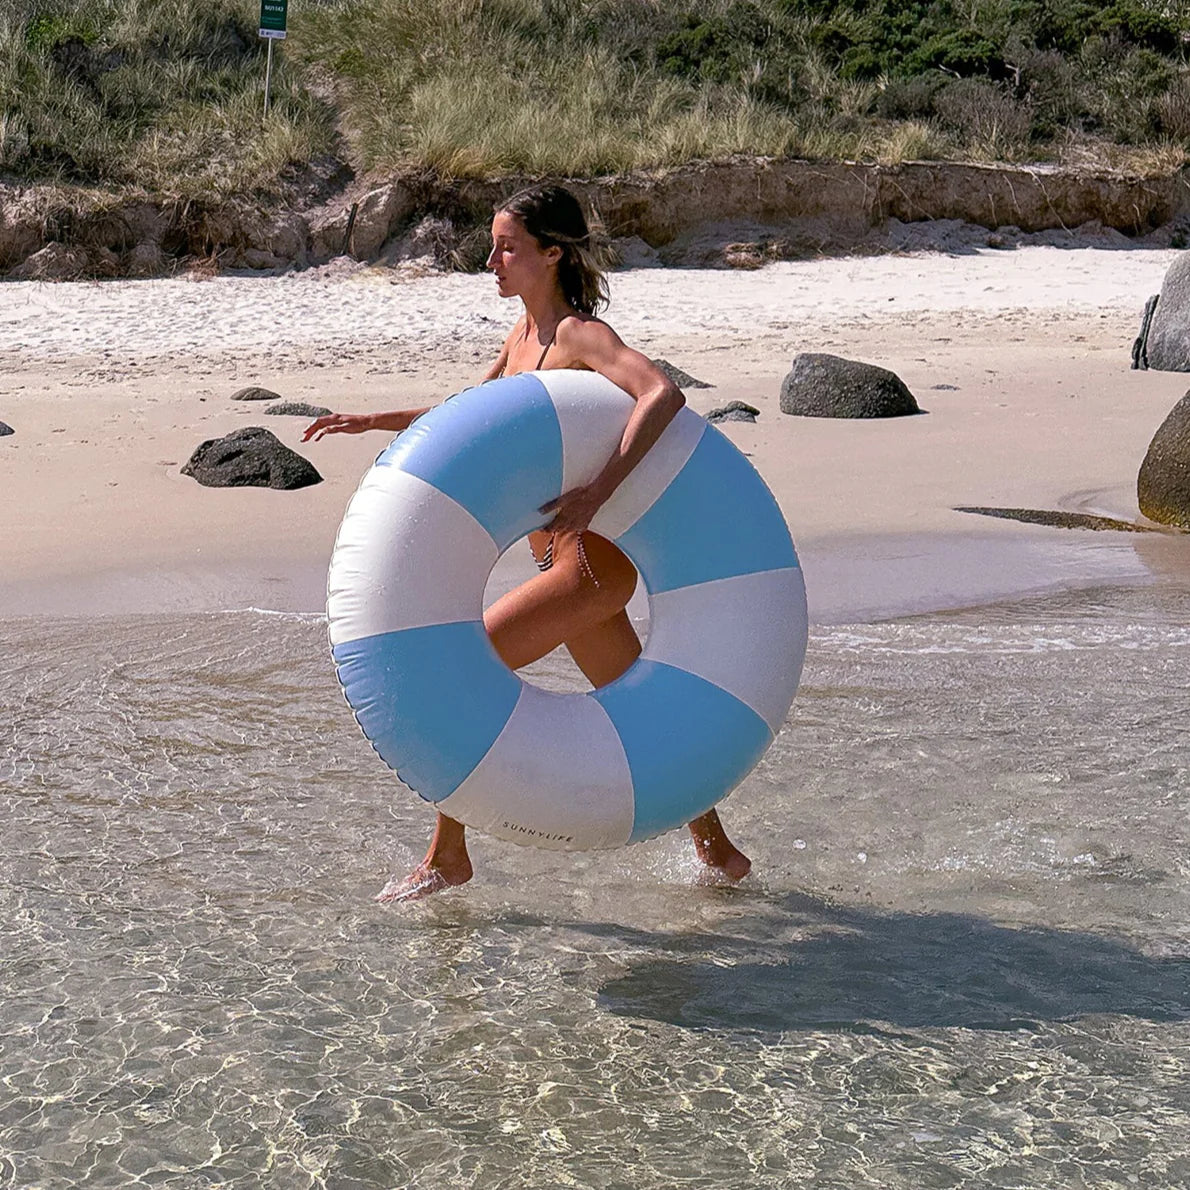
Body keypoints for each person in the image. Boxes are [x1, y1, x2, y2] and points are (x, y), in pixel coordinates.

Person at [303, 184, 751, 903]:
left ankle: (447, 858)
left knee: (462, 675)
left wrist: (597, 493)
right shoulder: (520, 341)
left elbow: (660, 393)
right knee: (648, 712)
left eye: (507, 246)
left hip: (589, 569)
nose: (492, 260)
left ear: (551, 252)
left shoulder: (578, 336)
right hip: (565, 568)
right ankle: (721, 857)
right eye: (493, 245)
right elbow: (461, 420)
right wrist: (371, 421)